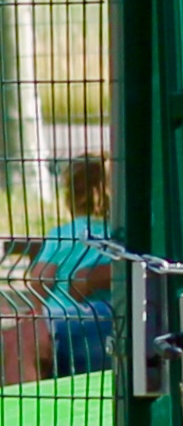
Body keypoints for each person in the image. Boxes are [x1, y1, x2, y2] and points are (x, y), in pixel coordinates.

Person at [29, 153, 117, 374]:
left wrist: (38, 313)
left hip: (54, 315)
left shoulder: (60, 234)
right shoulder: (113, 235)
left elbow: (41, 278)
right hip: (94, 322)